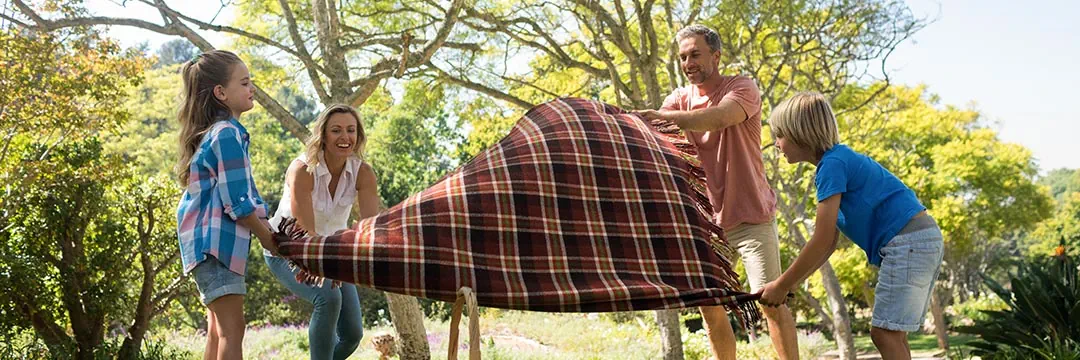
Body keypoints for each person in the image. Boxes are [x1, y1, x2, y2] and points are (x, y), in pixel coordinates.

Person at [635, 25, 799, 360]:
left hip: (751, 219)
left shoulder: (741, 87)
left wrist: (666, 118)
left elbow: (720, 117)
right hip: (706, 227)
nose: (688, 62)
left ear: (716, 55)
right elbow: (657, 138)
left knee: (770, 301)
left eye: (695, 54)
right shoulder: (678, 100)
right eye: (683, 57)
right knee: (710, 309)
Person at [760, 92, 944, 360]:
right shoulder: (839, 161)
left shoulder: (832, 166)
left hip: (908, 242)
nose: (776, 144)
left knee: (884, 334)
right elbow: (829, 245)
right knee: (893, 334)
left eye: (779, 135)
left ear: (800, 133)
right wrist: (789, 285)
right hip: (920, 239)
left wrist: (780, 284)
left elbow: (821, 239)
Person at [175, 50, 277, 360]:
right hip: (215, 247)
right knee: (233, 331)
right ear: (221, 93)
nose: (252, 89)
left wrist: (271, 224)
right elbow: (238, 204)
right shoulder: (227, 134)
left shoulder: (219, 134)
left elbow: (245, 199)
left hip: (208, 247)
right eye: (244, 83)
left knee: (219, 331)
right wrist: (268, 237)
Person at [265, 104, 381, 360]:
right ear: (323, 136)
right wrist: (331, 265)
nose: (345, 137)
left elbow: (368, 228)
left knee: (352, 334)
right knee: (328, 298)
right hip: (288, 250)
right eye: (336, 130)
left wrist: (345, 262)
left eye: (351, 130)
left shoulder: (363, 173)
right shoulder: (302, 170)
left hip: (331, 253)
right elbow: (305, 231)